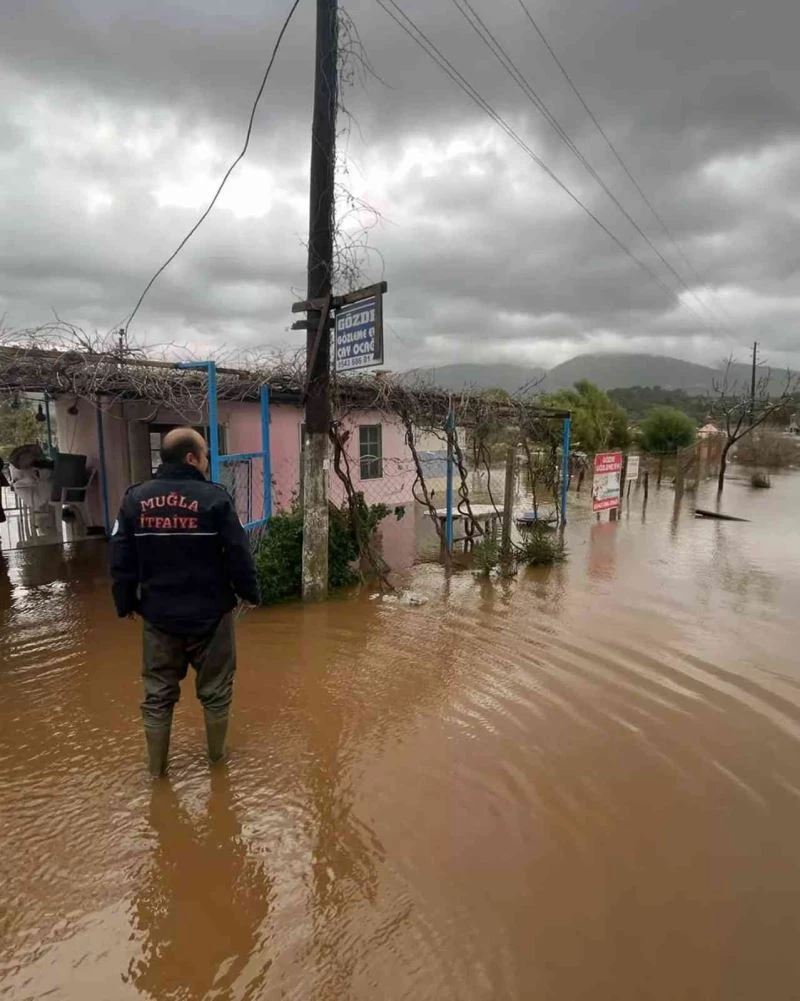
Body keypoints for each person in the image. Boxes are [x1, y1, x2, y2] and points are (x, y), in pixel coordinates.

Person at [109, 427, 259, 777]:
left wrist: (125, 602)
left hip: (159, 616)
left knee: (157, 695)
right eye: (205, 455)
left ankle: (156, 774)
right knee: (216, 692)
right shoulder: (215, 499)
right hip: (212, 615)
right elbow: (239, 553)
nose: (207, 461)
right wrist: (250, 593)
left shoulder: (135, 499)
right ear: (191, 458)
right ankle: (217, 766)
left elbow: (120, 556)